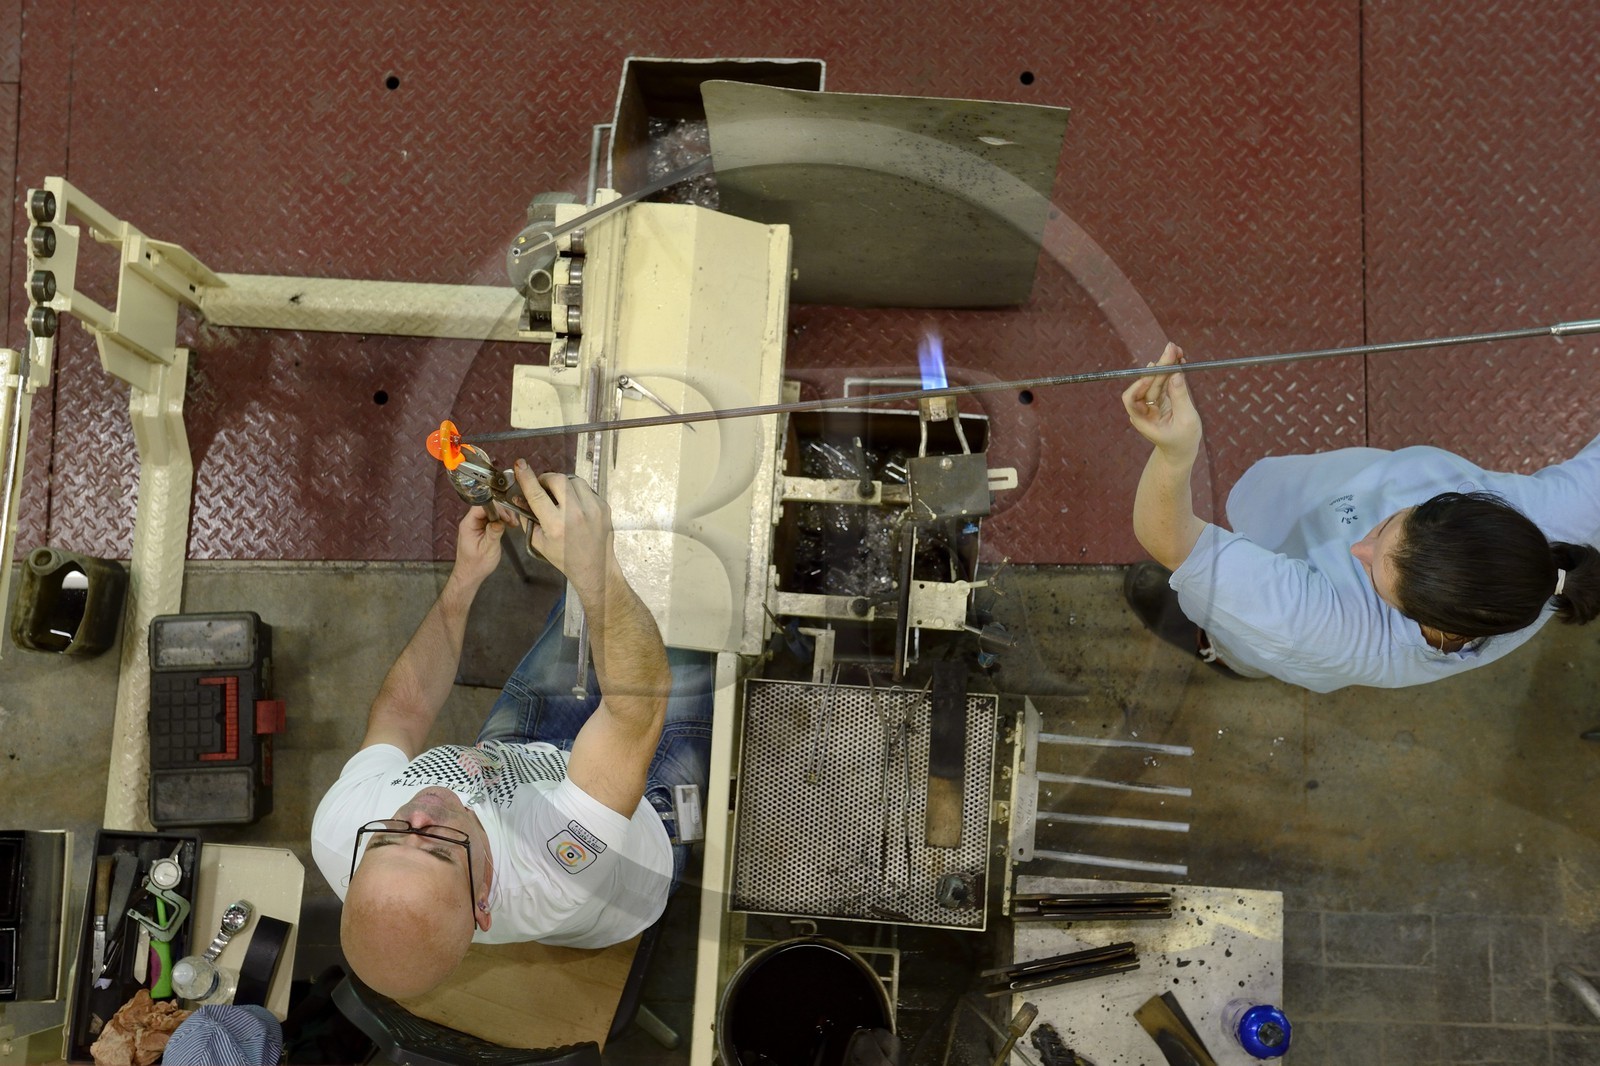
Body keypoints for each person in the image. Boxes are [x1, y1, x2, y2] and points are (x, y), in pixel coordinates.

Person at [310, 461, 713, 998]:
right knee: (693, 601)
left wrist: (463, 580)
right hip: (638, 817)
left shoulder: (339, 832)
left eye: (387, 837)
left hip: (512, 759)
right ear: (483, 903)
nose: (421, 812)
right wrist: (596, 572)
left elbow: (401, 713)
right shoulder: (552, 869)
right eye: (438, 848)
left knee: (582, 607)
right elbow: (635, 711)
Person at [1120, 342, 1600, 692]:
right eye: (1391, 525)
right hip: (1301, 497)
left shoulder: (1331, 631)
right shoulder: (1555, 518)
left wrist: (1175, 453)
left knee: (1239, 634)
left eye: (1374, 574)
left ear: (1438, 627)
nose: (1358, 549)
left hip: (1281, 628)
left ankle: (1219, 651)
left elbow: (1169, 539)